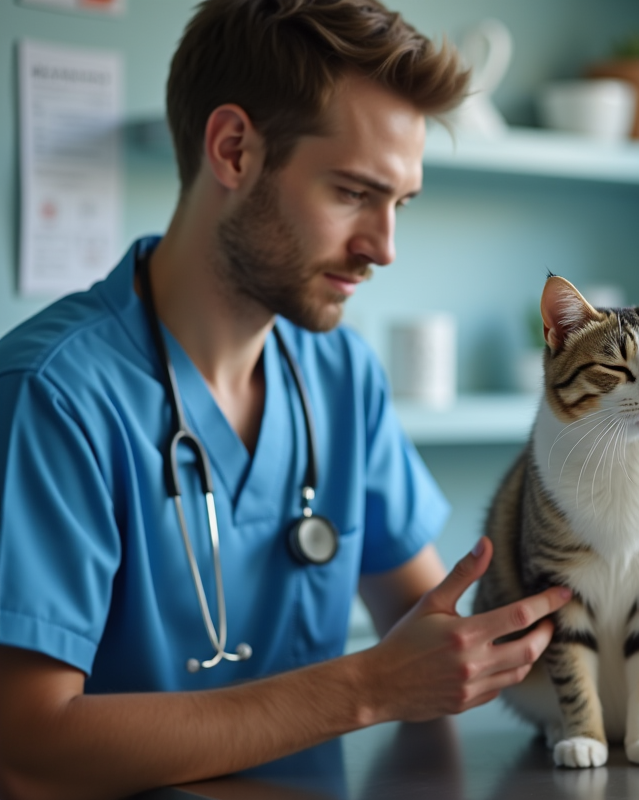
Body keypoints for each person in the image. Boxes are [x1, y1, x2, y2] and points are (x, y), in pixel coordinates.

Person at [0, 2, 571, 798]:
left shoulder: (341, 376)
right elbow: (26, 747)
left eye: (399, 203)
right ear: (234, 150)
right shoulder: (52, 397)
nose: (383, 247)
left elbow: (434, 650)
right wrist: (369, 686)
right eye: (352, 192)